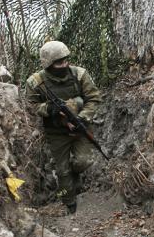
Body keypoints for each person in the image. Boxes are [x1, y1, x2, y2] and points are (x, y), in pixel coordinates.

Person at [25, 41, 101, 214]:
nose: (64, 65)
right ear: (48, 64)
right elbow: (30, 107)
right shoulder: (35, 82)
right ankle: (68, 199)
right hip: (56, 132)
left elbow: (94, 99)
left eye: (66, 60)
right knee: (62, 170)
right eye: (59, 62)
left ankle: (76, 178)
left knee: (84, 161)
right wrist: (49, 109)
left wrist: (81, 118)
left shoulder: (79, 74)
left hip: (80, 126)